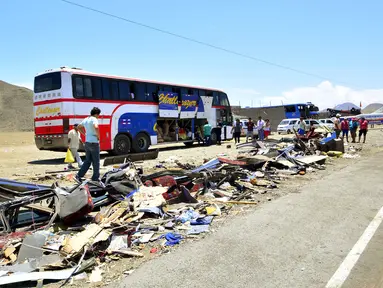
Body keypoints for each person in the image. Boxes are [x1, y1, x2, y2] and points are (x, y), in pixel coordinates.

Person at [76, 107, 101, 183]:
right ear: (96, 114)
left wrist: (85, 134)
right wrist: (98, 136)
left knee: (88, 160)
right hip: (94, 142)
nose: (98, 116)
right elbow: (96, 127)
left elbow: (78, 127)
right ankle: (95, 178)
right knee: (96, 161)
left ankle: (79, 175)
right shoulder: (94, 119)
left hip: (87, 142)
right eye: (98, 115)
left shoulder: (86, 119)